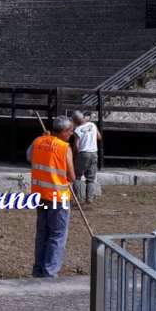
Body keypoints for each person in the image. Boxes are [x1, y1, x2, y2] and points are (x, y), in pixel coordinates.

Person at [27, 115, 76, 277]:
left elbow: (29, 157)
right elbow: (71, 176)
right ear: (63, 131)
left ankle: (38, 269)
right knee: (57, 235)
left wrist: (44, 139)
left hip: (40, 195)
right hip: (57, 197)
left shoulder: (38, 141)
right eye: (70, 131)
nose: (71, 135)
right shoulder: (64, 148)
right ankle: (50, 273)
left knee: (42, 233)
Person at [70, 110, 103, 204]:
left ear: (75, 120)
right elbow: (99, 137)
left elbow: (76, 145)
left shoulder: (77, 130)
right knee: (91, 178)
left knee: (77, 176)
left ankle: (79, 198)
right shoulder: (93, 125)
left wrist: (73, 156)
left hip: (83, 154)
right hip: (94, 153)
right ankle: (90, 198)